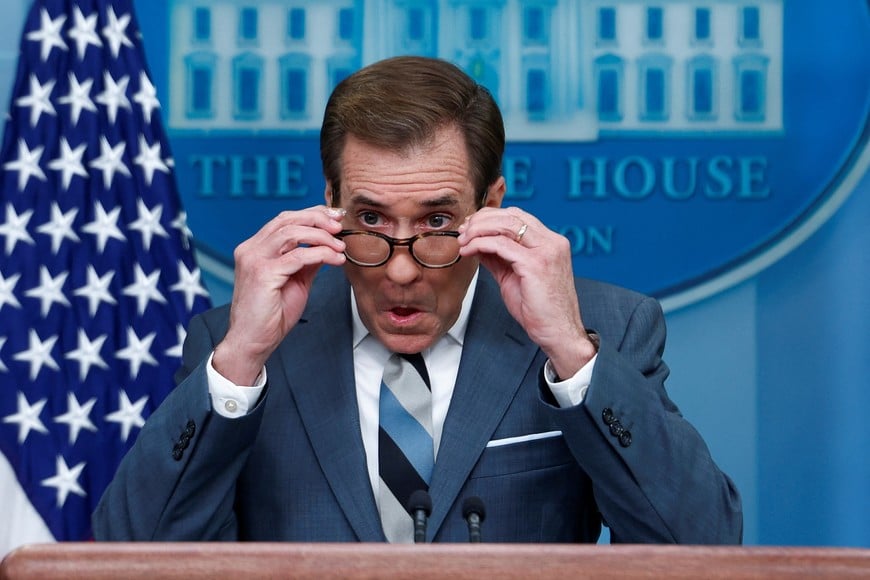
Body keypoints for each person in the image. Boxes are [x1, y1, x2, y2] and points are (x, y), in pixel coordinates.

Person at [92, 56, 742, 544]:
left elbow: (701, 547)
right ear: (331, 204)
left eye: (436, 223)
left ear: (491, 205)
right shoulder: (239, 345)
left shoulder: (605, 330)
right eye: (371, 220)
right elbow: (130, 552)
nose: (400, 271)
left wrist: (571, 355)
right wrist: (237, 366)